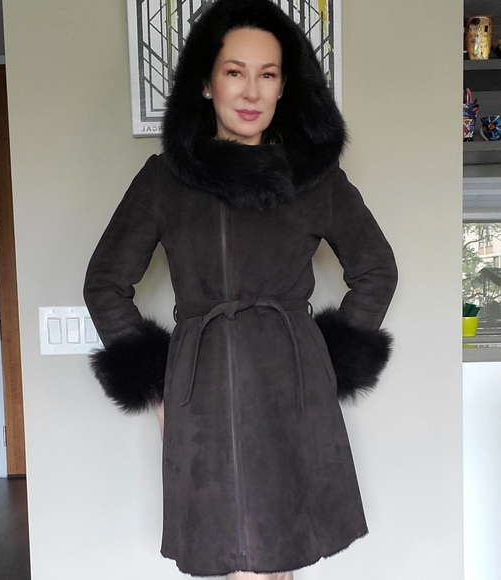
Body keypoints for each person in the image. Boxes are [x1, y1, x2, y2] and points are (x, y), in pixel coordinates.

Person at [83, 0, 398, 578]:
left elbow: (376, 268)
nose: (251, 91)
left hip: (291, 387)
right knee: (234, 560)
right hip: (200, 393)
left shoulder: (316, 179)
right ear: (206, 84)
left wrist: (326, 364)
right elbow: (105, 282)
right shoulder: (164, 179)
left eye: (268, 74)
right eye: (235, 71)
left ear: (284, 87)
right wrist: (157, 388)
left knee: (283, 555)